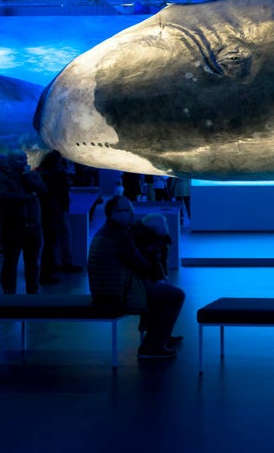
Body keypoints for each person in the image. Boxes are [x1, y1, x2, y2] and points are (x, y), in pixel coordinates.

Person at [88, 196, 185, 359]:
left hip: (110, 288)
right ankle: (152, 345)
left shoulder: (111, 232)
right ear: (113, 213)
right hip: (116, 293)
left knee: (159, 290)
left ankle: (159, 335)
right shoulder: (119, 236)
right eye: (126, 210)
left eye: (131, 210)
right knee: (174, 295)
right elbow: (142, 265)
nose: (132, 214)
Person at [0, 149, 46, 294]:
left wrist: (27, 177)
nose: (24, 161)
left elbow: (43, 190)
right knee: (10, 262)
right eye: (19, 159)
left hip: (33, 227)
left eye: (24, 158)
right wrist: (27, 198)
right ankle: (9, 294)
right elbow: (3, 196)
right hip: (12, 228)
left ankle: (32, 293)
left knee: (33, 263)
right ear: (10, 161)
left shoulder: (31, 174)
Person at [36, 149, 78, 284]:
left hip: (48, 210)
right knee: (57, 239)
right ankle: (62, 264)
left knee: (50, 242)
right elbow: (61, 192)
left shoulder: (40, 174)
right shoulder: (58, 175)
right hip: (56, 210)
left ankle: (54, 265)